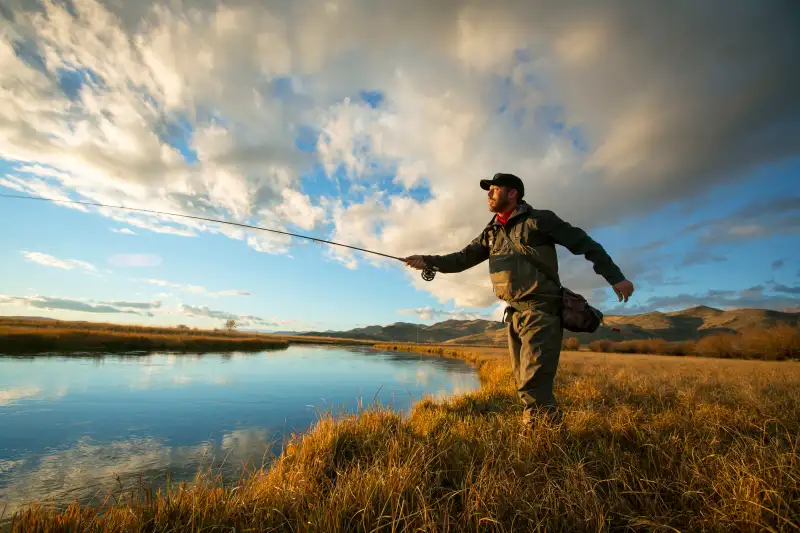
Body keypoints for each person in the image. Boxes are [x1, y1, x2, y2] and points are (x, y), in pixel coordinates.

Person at [404, 173, 634, 428]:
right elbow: (461, 259)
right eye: (488, 190)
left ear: (512, 193)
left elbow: (585, 244)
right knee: (522, 381)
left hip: (541, 312)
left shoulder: (540, 220)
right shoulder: (490, 233)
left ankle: (541, 444)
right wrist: (427, 260)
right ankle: (548, 435)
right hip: (513, 316)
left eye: (494, 189)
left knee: (532, 386)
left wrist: (616, 278)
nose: (489, 194)